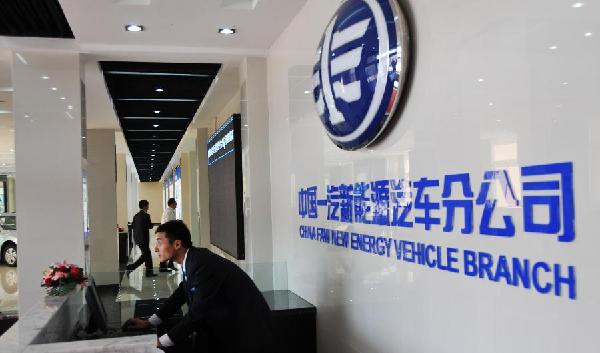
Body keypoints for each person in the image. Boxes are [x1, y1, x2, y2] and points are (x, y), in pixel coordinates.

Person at [123, 221, 274, 353]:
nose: (156, 249)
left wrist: (160, 342)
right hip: (228, 327)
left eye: (160, 242)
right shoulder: (193, 260)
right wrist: (150, 322)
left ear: (177, 244)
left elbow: (197, 314)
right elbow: (180, 294)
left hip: (247, 332)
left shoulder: (201, 264)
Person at [126, 200, 157, 277]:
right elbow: (149, 226)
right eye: (147, 205)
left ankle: (147, 271)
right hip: (144, 239)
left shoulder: (136, 215)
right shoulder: (146, 215)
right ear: (144, 206)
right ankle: (133, 268)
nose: (148, 207)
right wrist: (152, 225)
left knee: (146, 255)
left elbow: (133, 226)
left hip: (137, 239)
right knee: (147, 255)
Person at [159, 198, 177, 272]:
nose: (176, 205)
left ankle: (170, 264)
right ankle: (163, 266)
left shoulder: (169, 211)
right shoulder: (169, 212)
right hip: (167, 234)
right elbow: (167, 223)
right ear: (172, 204)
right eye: (175, 203)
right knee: (167, 249)